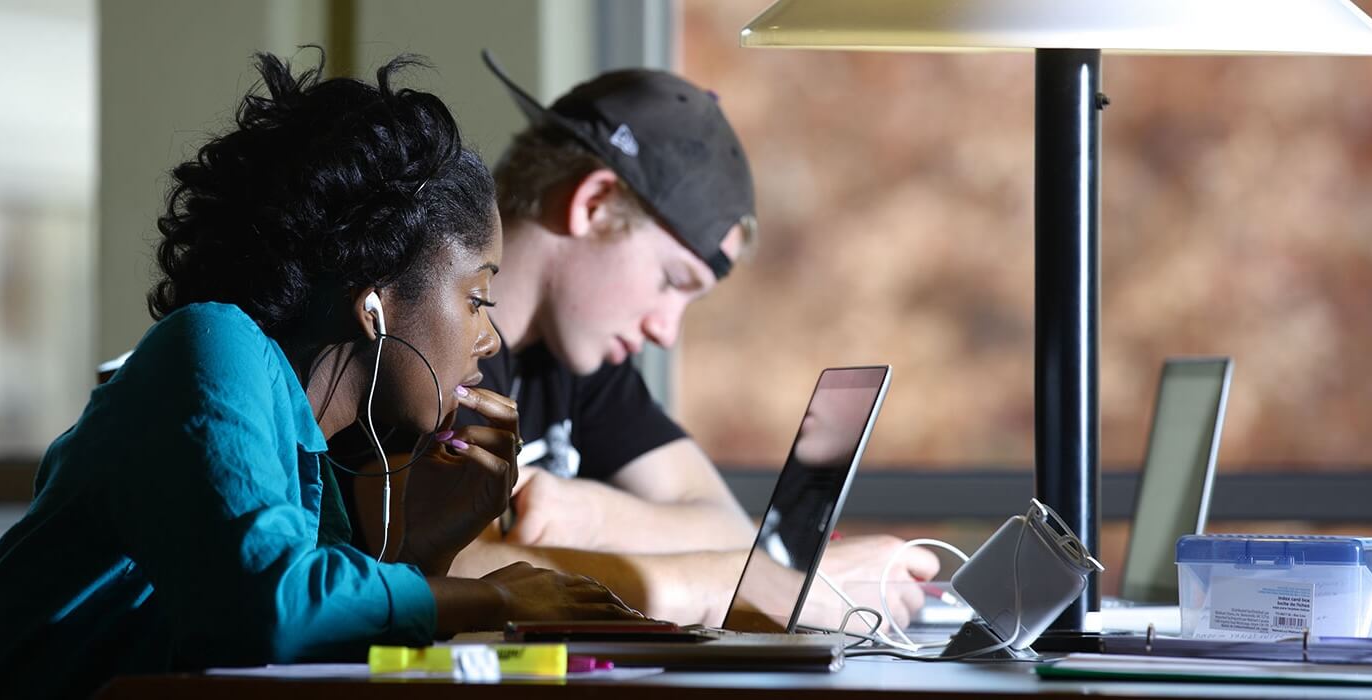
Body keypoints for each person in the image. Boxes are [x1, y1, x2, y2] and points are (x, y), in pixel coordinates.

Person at [0, 51, 637, 700]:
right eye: (477, 297)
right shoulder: (208, 344)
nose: (489, 338)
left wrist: (430, 545)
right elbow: (272, 609)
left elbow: (311, 662)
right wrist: (502, 598)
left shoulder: (304, 452)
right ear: (374, 300)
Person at [336, 52, 940, 628]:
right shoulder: (421, 340)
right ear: (594, 204)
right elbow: (442, 573)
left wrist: (596, 516)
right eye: (671, 281)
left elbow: (724, 523)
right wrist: (742, 584)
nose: (665, 329)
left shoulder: (573, 361)